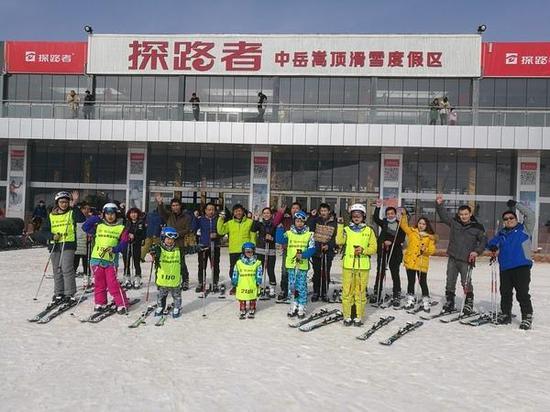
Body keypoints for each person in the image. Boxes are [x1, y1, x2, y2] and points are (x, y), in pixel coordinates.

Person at [487, 200, 535, 330]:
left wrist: (516, 205)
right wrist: (492, 247)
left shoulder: (524, 229)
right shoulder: (501, 234)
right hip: (505, 268)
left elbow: (530, 214)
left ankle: (527, 317)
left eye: (511, 218)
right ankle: (505, 314)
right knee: (505, 293)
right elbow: (492, 242)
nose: (508, 220)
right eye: (506, 219)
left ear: (516, 218)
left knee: (522, 293)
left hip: (521, 266)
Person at [435, 195, 487, 314]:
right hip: (453, 257)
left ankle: (468, 303)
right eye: (461, 214)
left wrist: (477, 251)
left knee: (466, 281)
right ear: (459, 215)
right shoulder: (454, 222)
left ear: (470, 214)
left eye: (465, 214)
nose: (463, 216)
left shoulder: (477, 227)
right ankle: (450, 301)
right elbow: (443, 216)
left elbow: (483, 241)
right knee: (450, 281)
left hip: (466, 259)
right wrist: (439, 205)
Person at [82, 203, 130, 314]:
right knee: (99, 283)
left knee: (112, 284)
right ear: (104, 214)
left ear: (116, 215)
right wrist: (96, 217)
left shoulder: (121, 228)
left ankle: (122, 303)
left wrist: (115, 249)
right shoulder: (98, 225)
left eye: (112, 214)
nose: (110, 216)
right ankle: (100, 302)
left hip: (110, 261)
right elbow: (85, 227)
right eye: (107, 214)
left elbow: (124, 243)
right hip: (96, 259)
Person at [40, 191, 86, 304]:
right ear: (57, 203)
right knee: (57, 270)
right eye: (61, 202)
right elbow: (44, 230)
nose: (64, 204)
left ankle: (69, 293)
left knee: (66, 268)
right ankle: (58, 292)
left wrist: (74, 204)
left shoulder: (72, 212)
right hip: (55, 245)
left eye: (66, 202)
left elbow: (81, 219)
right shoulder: (51, 215)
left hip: (68, 243)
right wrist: (52, 236)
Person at [336, 204, 377, 326]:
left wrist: (363, 250)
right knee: (347, 291)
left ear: (363, 216)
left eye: (359, 215)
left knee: (359, 292)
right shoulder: (346, 230)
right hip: (348, 265)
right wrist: (339, 226)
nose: (356, 217)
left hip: (362, 266)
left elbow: (374, 247)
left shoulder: (369, 231)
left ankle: (358, 316)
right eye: (354, 215)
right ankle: (347, 316)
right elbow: (339, 241)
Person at [275, 211, 316, 319]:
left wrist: (304, 255)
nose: (299, 223)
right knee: (292, 286)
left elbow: (312, 248)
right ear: (295, 221)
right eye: (297, 221)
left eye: (301, 221)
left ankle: (301, 305)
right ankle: (294, 304)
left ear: (304, 222)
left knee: (301, 286)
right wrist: (279, 228)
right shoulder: (289, 233)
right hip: (291, 265)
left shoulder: (309, 234)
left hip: (302, 265)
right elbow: (279, 240)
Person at [150, 227, 193, 318]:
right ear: (163, 238)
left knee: (176, 296)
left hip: (174, 279)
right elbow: (155, 251)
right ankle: (161, 307)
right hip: (163, 280)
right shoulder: (159, 249)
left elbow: (189, 249)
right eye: (168, 239)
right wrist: (153, 251)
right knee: (161, 296)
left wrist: (198, 248)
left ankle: (177, 307)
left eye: (172, 239)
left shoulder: (178, 250)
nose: (170, 241)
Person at [399, 208, 437, 311]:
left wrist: (425, 249)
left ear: (426, 225)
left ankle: (425, 299)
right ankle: (410, 298)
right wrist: (404, 215)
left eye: (423, 224)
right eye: (420, 223)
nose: (421, 225)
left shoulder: (429, 237)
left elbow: (432, 251)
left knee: (422, 281)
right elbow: (403, 226)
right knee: (411, 281)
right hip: (411, 261)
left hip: (421, 263)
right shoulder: (412, 232)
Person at [155, 194, 194, 290]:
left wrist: (176, 234)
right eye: (173, 205)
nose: (175, 207)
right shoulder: (169, 215)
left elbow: (188, 229)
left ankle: (185, 280)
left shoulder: (186, 217)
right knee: (166, 262)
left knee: (181, 263)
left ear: (180, 206)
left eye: (177, 205)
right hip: (167, 244)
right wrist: (160, 203)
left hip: (179, 243)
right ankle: (164, 281)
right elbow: (161, 212)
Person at [372, 199, 406, 307]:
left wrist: (391, 242)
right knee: (380, 271)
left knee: (394, 272)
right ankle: (377, 291)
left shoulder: (400, 224)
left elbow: (401, 238)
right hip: (383, 250)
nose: (390, 215)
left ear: (395, 214)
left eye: (392, 213)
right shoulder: (385, 222)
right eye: (388, 214)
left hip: (395, 252)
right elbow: (376, 219)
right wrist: (378, 207)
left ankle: (397, 292)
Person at [217, 204, 254, 294]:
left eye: (240, 210)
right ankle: (235, 285)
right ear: (233, 212)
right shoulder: (230, 223)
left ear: (243, 211)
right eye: (236, 211)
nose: (238, 212)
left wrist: (252, 247)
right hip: (233, 250)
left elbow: (253, 235)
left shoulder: (250, 222)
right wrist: (221, 219)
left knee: (246, 269)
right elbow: (221, 231)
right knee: (233, 269)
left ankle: (245, 285)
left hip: (246, 250)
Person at [308, 203, 338, 302]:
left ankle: (324, 292)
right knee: (316, 273)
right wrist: (312, 216)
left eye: (325, 211)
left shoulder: (333, 222)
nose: (323, 212)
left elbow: (334, 237)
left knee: (325, 273)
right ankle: (316, 292)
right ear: (320, 212)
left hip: (327, 251)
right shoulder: (316, 220)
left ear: (329, 211)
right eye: (322, 211)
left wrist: (329, 245)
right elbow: (309, 229)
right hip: (317, 250)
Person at [251, 207, 282, 298]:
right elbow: (253, 229)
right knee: (259, 269)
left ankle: (272, 288)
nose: (266, 214)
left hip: (270, 250)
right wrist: (255, 220)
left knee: (270, 270)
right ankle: (258, 286)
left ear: (271, 214)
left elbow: (277, 236)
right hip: (260, 249)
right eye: (264, 213)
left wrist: (272, 239)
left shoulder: (274, 225)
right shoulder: (260, 224)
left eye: (268, 213)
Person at [276, 202, 302, 302]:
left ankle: (297, 290)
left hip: (299, 250)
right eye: (293, 208)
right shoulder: (286, 219)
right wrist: (280, 213)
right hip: (287, 250)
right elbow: (276, 222)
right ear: (290, 210)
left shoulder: (303, 220)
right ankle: (284, 290)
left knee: (298, 271)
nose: (295, 210)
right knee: (285, 270)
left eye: (297, 208)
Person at [193, 202, 221, 293]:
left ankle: (215, 282)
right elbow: (193, 228)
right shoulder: (201, 219)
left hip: (215, 245)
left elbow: (222, 231)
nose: (211, 211)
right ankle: (201, 282)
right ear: (205, 211)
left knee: (215, 265)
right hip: (203, 245)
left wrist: (217, 235)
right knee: (202, 265)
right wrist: (195, 218)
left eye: (212, 209)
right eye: (209, 209)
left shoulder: (218, 220)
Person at [231, 242, 263, 319]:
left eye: (251, 251)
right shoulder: (239, 263)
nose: (249, 253)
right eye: (247, 251)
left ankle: (252, 307)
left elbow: (259, 272)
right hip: (242, 283)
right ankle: (243, 307)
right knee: (242, 296)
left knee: (252, 295)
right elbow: (235, 272)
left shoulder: (257, 263)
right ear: (243, 252)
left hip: (252, 282)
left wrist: (258, 279)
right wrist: (234, 280)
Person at [123, 207, 146, 289]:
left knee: (136, 263)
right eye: (131, 213)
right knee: (126, 263)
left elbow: (143, 235)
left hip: (136, 245)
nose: (133, 215)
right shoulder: (126, 222)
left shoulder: (141, 223)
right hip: (126, 245)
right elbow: (123, 233)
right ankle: (127, 278)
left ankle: (137, 278)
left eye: (135, 213)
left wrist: (135, 236)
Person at [74, 202, 91, 280]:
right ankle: (71, 279)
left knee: (86, 263)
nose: (86, 210)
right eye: (84, 209)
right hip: (77, 243)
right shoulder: (76, 218)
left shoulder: (91, 219)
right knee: (75, 262)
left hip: (87, 243)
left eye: (88, 209)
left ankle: (87, 279)